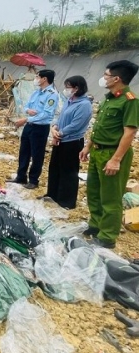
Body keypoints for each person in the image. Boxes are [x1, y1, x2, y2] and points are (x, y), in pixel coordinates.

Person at [79, 60, 139, 249]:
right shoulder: (109, 98)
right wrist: (88, 146)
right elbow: (99, 127)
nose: (103, 78)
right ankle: (96, 225)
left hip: (112, 153)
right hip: (97, 151)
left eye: (105, 75)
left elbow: (129, 132)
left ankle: (107, 236)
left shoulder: (129, 101)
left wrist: (116, 159)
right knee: (94, 192)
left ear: (116, 78)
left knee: (111, 197)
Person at [43, 76, 92, 209]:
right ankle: (52, 194)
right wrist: (54, 128)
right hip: (60, 139)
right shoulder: (69, 100)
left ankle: (66, 201)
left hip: (72, 141)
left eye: (68, 87)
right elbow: (60, 117)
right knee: (55, 167)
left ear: (77, 88)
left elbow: (76, 124)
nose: (66, 90)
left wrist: (60, 133)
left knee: (69, 171)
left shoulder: (84, 105)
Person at [7, 69, 59, 189]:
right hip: (29, 126)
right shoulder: (37, 92)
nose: (36, 79)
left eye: (37, 76)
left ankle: (34, 180)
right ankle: (21, 177)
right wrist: (28, 111)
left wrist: (26, 119)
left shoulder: (52, 95)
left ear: (44, 79)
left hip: (40, 128)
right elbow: (27, 106)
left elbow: (46, 114)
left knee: (37, 155)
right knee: (24, 152)